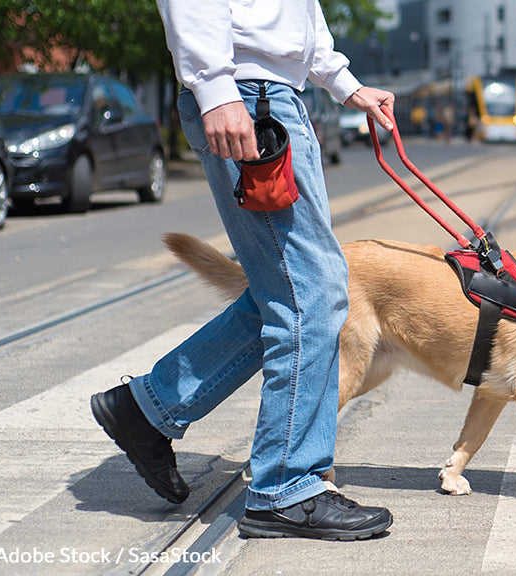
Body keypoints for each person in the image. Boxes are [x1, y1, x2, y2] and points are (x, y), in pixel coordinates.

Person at [90, 0, 396, 541]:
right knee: (312, 293)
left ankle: (146, 408)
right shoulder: (232, 89)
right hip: (248, 97)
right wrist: (215, 87)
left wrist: (343, 83)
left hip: (274, 95)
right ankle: (285, 486)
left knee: (295, 290)